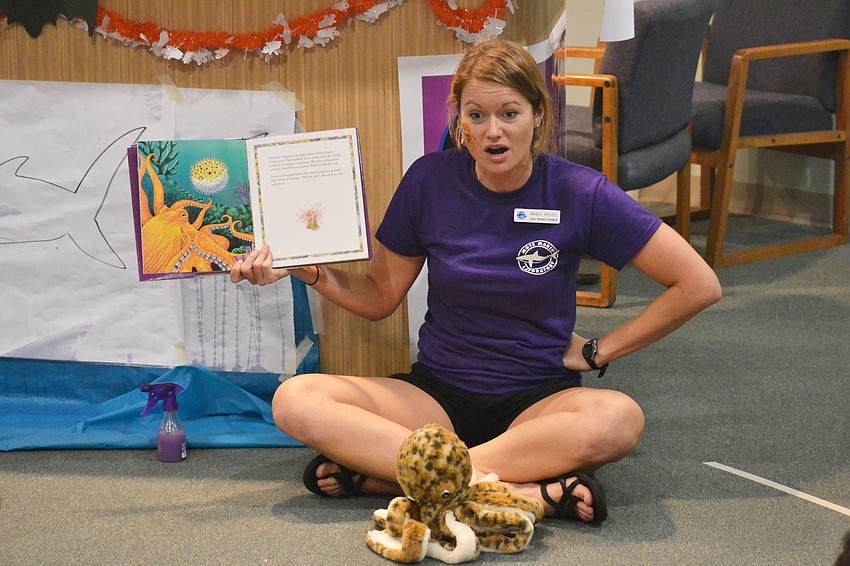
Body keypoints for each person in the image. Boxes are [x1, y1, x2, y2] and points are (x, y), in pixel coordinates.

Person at [230, 39, 721, 524]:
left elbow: (697, 284)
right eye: (477, 115)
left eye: (510, 113)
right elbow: (379, 297)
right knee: (295, 401)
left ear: (537, 115)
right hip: (436, 397)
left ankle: (399, 477)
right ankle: (521, 489)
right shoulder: (429, 181)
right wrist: (306, 270)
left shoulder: (578, 191)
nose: (493, 133)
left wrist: (599, 350)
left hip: (538, 402)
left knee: (619, 420)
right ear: (458, 119)